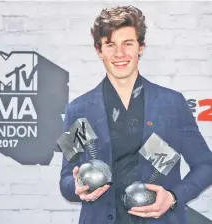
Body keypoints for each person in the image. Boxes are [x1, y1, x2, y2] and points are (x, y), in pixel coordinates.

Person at [59, 5, 212, 224]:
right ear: (98, 50)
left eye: (127, 44)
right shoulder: (79, 109)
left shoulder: (171, 103)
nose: (119, 54)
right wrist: (76, 188)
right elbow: (66, 179)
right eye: (110, 45)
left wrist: (173, 197)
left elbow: (206, 164)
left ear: (140, 47)